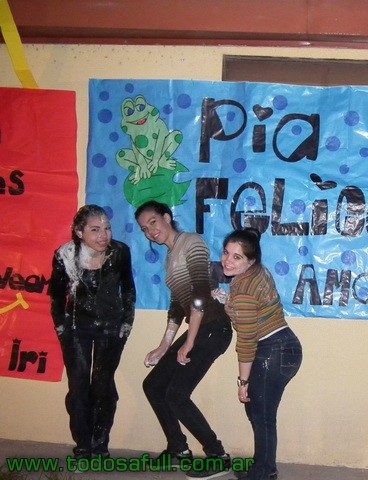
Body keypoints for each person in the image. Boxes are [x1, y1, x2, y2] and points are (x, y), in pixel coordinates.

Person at [134, 200, 232, 479]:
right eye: (144, 228)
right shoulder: (170, 257)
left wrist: (189, 342)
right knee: (154, 386)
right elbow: (178, 305)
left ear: (167, 217)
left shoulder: (192, 243)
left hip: (214, 329)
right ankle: (178, 449)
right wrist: (163, 346)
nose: (150, 231)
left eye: (153, 222)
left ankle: (218, 456)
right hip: (200, 330)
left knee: (176, 395)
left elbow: (200, 293)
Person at [49, 204, 136, 460]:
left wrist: (126, 325)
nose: (104, 235)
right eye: (95, 229)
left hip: (112, 328)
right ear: (79, 232)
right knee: (78, 388)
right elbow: (56, 296)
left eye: (107, 228)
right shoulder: (65, 255)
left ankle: (100, 445)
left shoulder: (120, 252)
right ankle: (83, 445)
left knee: (103, 386)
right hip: (77, 329)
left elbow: (128, 290)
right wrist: (62, 329)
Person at [221, 228, 303, 480]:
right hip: (281, 346)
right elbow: (250, 313)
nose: (227, 260)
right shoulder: (256, 273)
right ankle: (265, 468)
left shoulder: (245, 287)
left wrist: (243, 382)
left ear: (251, 260)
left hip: (272, 350)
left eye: (237, 257)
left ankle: (262, 473)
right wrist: (228, 301)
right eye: (226, 253)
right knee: (258, 413)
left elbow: (246, 340)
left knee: (262, 416)